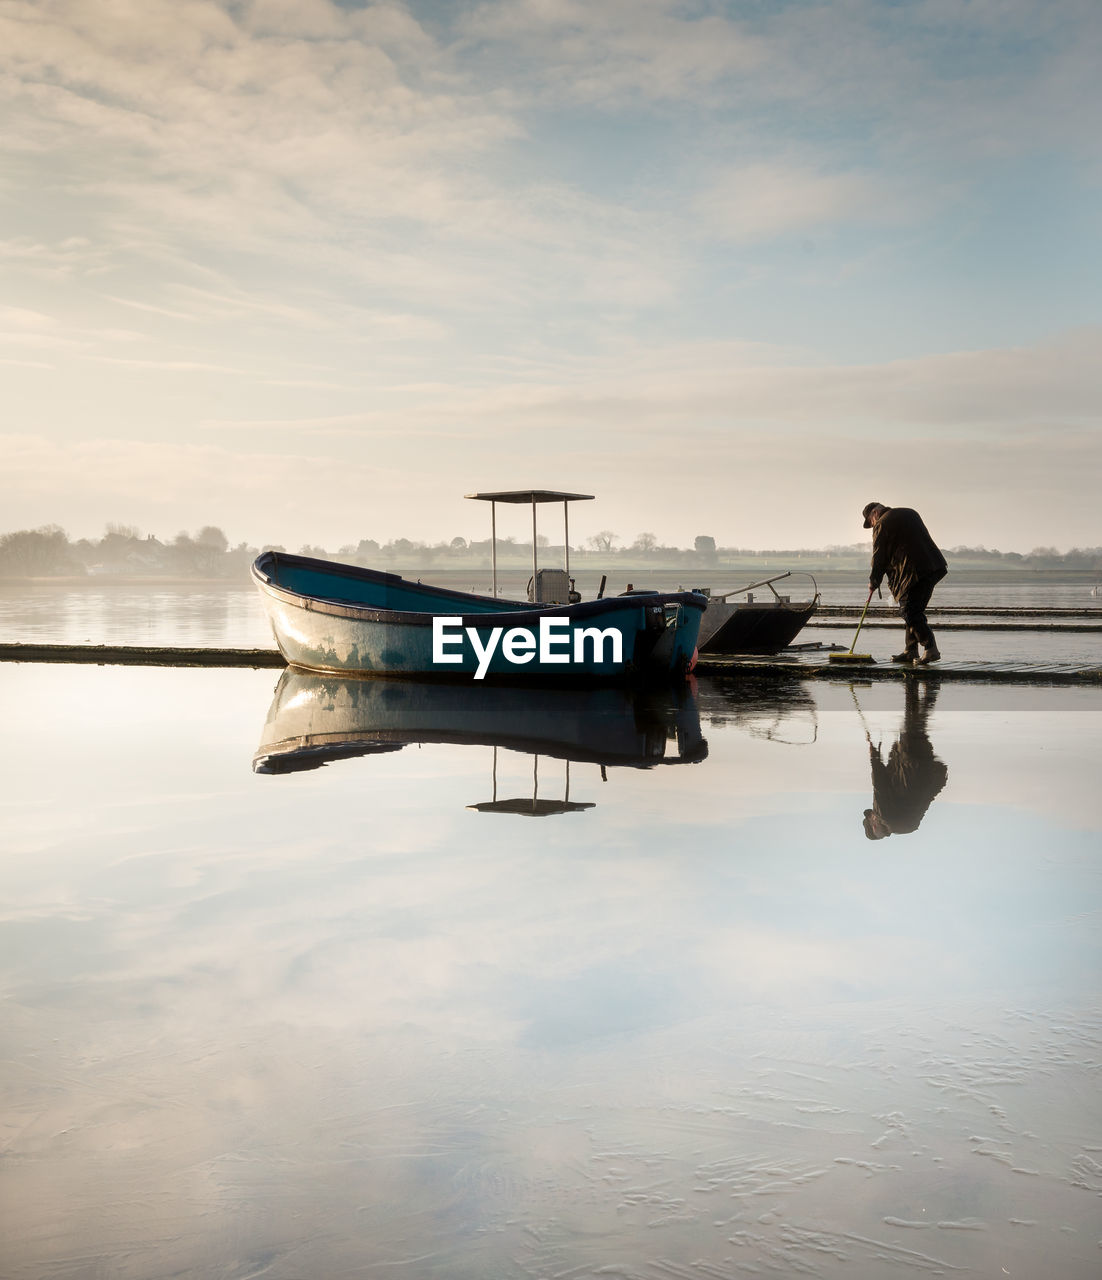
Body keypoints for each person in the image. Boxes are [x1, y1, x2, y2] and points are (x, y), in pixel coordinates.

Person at [862, 501, 947, 664]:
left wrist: (874, 580)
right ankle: (910, 650)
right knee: (914, 608)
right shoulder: (909, 512)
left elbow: (879, 555)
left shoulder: (882, 523)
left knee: (909, 611)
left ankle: (930, 648)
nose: (872, 525)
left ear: (874, 513)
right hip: (934, 566)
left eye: (870, 522)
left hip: (913, 573)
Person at [862, 680, 948, 839]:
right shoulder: (882, 816)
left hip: (926, 770)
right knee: (912, 725)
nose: (872, 815)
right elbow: (879, 784)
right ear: (873, 825)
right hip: (909, 764)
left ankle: (924, 688)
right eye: (871, 818)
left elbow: (925, 797)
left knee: (915, 726)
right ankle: (918, 684)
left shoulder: (910, 825)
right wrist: (874, 755)